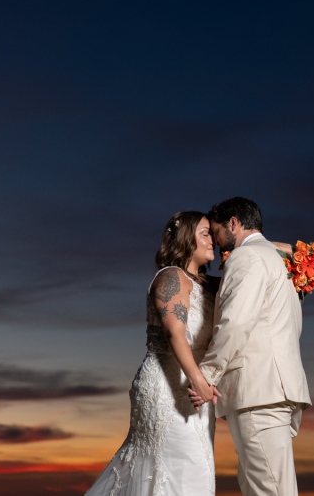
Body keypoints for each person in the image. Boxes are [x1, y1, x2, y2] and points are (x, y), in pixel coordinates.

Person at [84, 211, 218, 496]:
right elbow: (174, 333)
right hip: (167, 388)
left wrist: (261, 244)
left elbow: (261, 258)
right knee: (182, 469)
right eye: (205, 233)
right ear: (186, 239)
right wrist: (199, 382)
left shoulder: (213, 285)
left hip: (198, 392)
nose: (213, 240)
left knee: (198, 471)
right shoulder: (171, 277)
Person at [190, 197, 311, 496]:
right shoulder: (278, 260)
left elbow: (235, 322)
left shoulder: (246, 258)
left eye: (217, 232)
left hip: (258, 391)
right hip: (275, 388)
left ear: (233, 222)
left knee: (269, 489)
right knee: (262, 485)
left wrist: (206, 375)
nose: (217, 242)